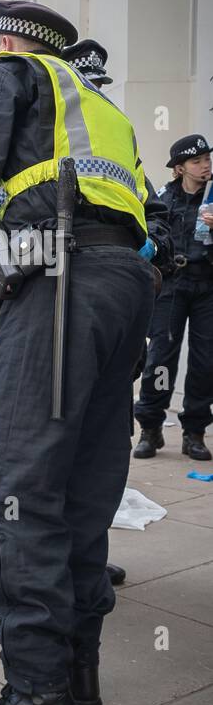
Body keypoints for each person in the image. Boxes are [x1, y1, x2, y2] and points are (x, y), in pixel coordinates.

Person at [0, 1, 158, 705]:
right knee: (84, 488)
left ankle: (34, 703)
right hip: (126, 286)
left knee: (15, 486)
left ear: (4, 43)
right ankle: (76, 679)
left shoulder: (8, 75)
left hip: (59, 281)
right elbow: (145, 212)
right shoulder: (103, 107)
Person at [134, 133, 213, 462]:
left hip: (208, 286)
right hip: (171, 285)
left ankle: (194, 432)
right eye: (197, 161)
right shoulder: (163, 199)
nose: (205, 165)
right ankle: (150, 428)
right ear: (179, 168)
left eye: (207, 158)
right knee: (161, 359)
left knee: (205, 361)